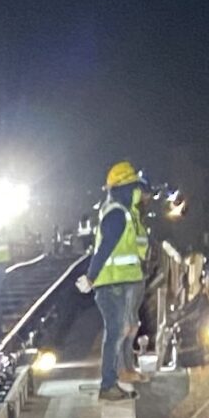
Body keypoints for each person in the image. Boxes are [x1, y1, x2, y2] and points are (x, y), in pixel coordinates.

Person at [74, 160, 151, 399]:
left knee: (120, 329)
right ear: (127, 188)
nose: (139, 193)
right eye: (135, 188)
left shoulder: (121, 212)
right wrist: (91, 276)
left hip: (117, 281)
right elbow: (105, 248)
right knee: (117, 331)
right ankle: (108, 384)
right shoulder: (117, 214)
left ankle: (113, 380)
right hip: (111, 284)